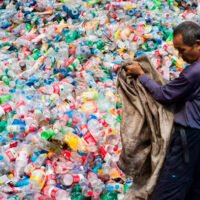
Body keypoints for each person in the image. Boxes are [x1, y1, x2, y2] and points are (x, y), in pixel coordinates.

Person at [125, 21, 200, 200]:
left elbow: (164, 94)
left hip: (188, 137)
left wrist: (141, 75)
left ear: (197, 44)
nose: (180, 56)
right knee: (195, 186)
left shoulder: (194, 72)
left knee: (169, 186)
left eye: (182, 50)